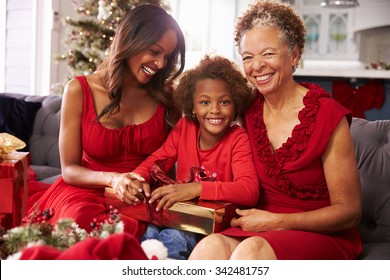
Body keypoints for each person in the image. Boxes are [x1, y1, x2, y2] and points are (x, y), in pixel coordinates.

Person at [189, 0, 362, 260]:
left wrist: (276, 221)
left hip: (319, 234)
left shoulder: (328, 116)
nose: (256, 66)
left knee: (251, 252)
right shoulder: (246, 110)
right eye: (248, 57)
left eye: (268, 53)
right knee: (209, 246)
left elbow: (350, 212)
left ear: (294, 54)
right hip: (258, 227)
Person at [27, 4, 186, 239]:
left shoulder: (167, 97)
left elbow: (168, 165)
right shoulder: (79, 90)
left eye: (168, 56)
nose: (161, 64)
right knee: (82, 225)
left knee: (128, 234)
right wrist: (113, 179)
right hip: (84, 191)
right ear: (130, 40)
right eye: (154, 51)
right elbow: (69, 169)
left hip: (138, 197)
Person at [130, 54, 260, 259]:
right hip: (180, 215)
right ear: (192, 106)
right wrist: (137, 178)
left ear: (236, 104)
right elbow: (159, 158)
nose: (215, 110)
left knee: (174, 238)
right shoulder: (185, 127)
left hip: (210, 226)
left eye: (225, 101)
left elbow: (249, 190)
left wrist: (196, 188)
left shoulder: (238, 138)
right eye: (205, 102)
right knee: (147, 231)